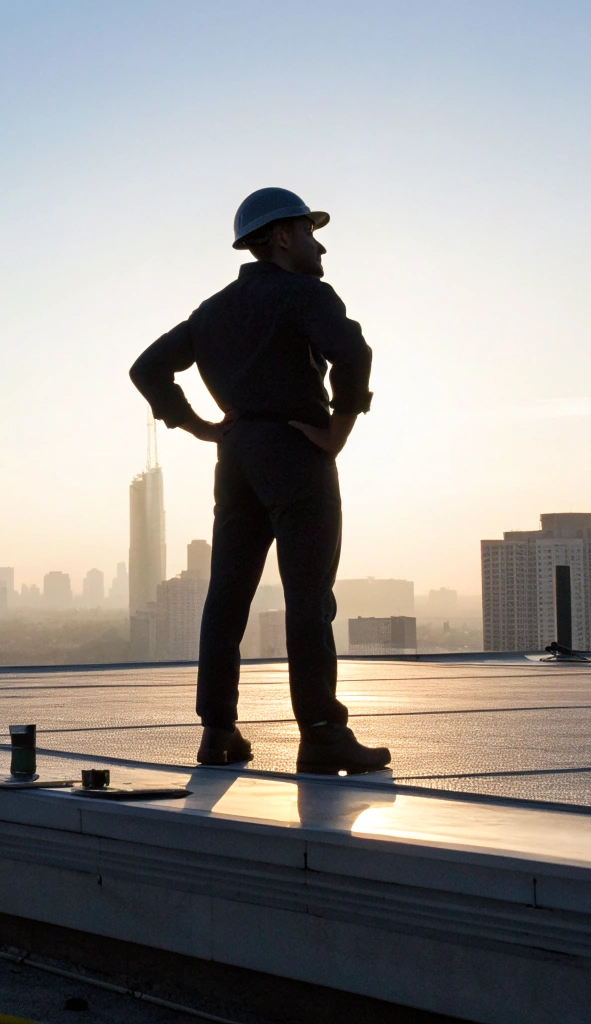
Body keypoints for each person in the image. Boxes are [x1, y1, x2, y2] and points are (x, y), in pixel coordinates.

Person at [128, 187, 391, 775]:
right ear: (280, 236)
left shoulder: (214, 310)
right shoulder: (307, 295)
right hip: (296, 449)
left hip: (239, 455)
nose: (319, 245)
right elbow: (352, 351)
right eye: (309, 231)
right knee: (308, 597)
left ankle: (218, 731)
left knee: (227, 596)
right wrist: (339, 430)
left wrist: (198, 426)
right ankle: (322, 734)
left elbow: (146, 368)